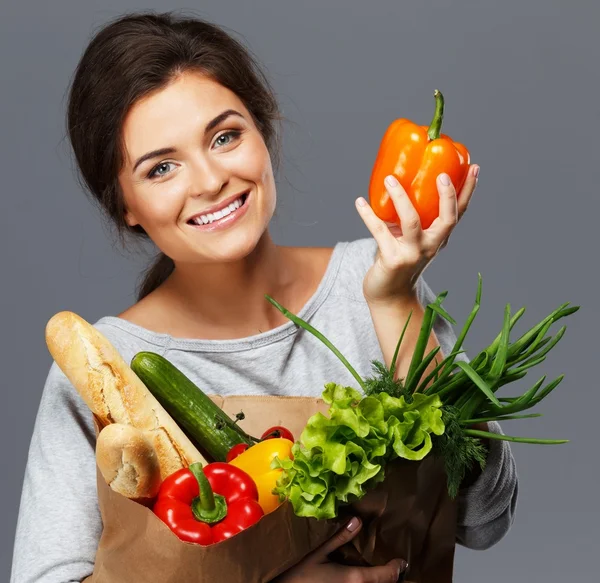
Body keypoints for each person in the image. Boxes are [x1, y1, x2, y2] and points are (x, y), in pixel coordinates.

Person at [10, 10, 517, 583]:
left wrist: (395, 302)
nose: (207, 180)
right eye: (161, 169)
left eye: (225, 136)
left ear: (263, 131)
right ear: (124, 205)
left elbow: (485, 516)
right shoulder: (103, 369)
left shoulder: (376, 282)